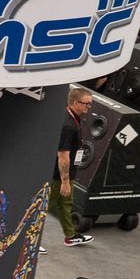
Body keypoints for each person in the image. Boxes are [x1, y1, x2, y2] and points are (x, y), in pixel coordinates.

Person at [51, 88, 96, 249]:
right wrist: (64, 181)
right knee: (43, 207)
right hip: (58, 176)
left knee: (66, 204)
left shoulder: (72, 117)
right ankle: (30, 241)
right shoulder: (69, 126)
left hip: (66, 174)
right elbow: (63, 155)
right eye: (86, 104)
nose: (88, 107)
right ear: (76, 103)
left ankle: (70, 236)